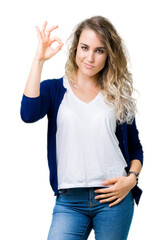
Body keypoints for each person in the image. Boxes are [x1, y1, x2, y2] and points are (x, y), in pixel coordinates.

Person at [20, 16, 144, 240]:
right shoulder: (55, 90)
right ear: (76, 48)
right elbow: (28, 114)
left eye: (99, 51)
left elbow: (135, 148)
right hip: (69, 202)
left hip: (113, 199)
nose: (90, 57)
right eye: (85, 48)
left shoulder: (117, 96)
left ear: (108, 55)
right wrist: (39, 60)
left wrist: (131, 179)